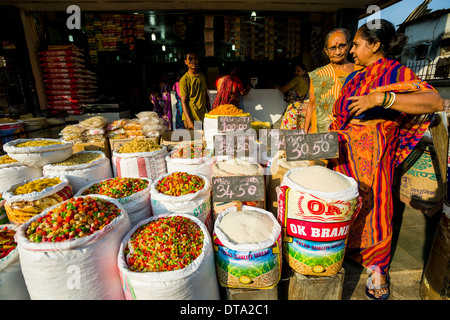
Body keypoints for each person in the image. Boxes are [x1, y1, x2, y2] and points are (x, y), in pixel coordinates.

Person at [328, 19, 443, 300]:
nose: (352, 51)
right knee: (349, 205)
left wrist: (381, 99)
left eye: (356, 44)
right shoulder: (357, 76)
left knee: (377, 209)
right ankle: (351, 253)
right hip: (346, 154)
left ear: (375, 45)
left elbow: (434, 101)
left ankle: (378, 268)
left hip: (375, 156)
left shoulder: (395, 72)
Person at [304, 28, 361, 133]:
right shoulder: (318, 74)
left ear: (348, 46)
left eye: (342, 46)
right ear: (326, 50)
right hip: (321, 131)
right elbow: (311, 105)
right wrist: (305, 130)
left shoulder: (360, 71)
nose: (338, 52)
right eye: (332, 48)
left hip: (349, 129)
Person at [179, 51, 211, 130]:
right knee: (196, 141)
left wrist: (210, 113)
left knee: (203, 140)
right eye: (190, 59)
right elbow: (183, 102)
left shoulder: (202, 77)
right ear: (185, 62)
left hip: (202, 116)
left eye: (195, 59)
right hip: (192, 117)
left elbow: (206, 96)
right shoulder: (184, 80)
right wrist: (189, 121)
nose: (193, 61)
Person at [276, 62, 310, 130]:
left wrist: (277, 87)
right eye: (295, 71)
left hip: (294, 108)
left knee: (288, 128)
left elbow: (284, 89)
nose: (296, 73)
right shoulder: (307, 80)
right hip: (303, 108)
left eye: (299, 71)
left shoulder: (297, 79)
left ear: (304, 71)